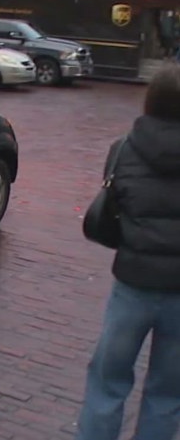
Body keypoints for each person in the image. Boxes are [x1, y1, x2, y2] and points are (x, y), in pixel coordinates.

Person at [74, 64, 180, 440]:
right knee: (167, 392)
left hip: (133, 284)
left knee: (107, 380)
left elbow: (115, 204)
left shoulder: (123, 150)